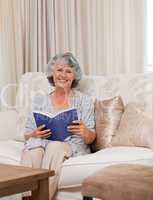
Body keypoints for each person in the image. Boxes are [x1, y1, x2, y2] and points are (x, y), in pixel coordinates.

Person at [21, 52, 96, 200]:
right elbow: (27, 135)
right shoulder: (40, 100)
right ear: (52, 73)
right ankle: (26, 197)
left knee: (55, 146)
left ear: (74, 76)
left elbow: (91, 138)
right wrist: (34, 134)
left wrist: (84, 130)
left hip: (70, 146)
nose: (63, 75)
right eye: (59, 70)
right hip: (43, 142)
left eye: (68, 71)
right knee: (33, 148)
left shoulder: (84, 101)